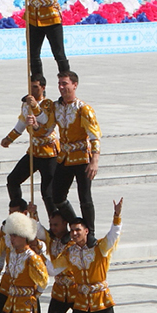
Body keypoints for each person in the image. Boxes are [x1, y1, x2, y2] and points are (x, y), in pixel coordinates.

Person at [35, 208, 99, 313]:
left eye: (56, 224)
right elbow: (39, 230)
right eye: (51, 224)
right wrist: (33, 214)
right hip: (58, 292)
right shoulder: (53, 240)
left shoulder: (72, 245)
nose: (53, 228)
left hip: (75, 292)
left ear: (65, 224)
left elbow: (54, 268)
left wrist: (41, 254)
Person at [3, 73, 59, 217]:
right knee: (13, 180)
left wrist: (34, 106)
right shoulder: (25, 105)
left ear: (43, 87)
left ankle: (55, 222)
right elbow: (21, 123)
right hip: (34, 151)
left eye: (35, 87)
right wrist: (9, 138)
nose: (32, 90)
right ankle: (18, 211)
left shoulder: (48, 104)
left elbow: (45, 122)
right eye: (30, 87)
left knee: (47, 192)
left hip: (49, 153)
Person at [52, 70, 101, 232]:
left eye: (65, 83)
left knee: (85, 197)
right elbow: (46, 127)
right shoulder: (56, 107)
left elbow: (95, 135)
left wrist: (94, 160)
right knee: (57, 195)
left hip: (81, 157)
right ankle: (76, 225)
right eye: (60, 84)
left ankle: (90, 232)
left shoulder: (83, 109)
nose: (61, 87)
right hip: (64, 157)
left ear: (75, 85)